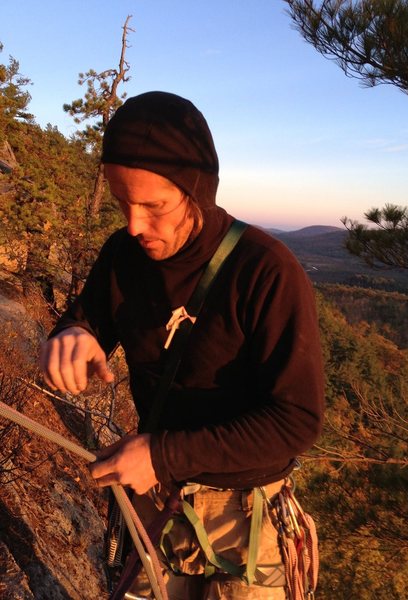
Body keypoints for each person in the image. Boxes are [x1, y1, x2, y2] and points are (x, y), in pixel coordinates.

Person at [40, 91, 324, 600]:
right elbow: (89, 316)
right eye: (122, 202)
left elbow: (296, 419)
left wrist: (165, 454)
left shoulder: (265, 270)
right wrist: (72, 334)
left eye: (155, 206)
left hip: (243, 521)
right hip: (156, 504)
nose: (134, 225)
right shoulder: (124, 254)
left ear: (198, 190)